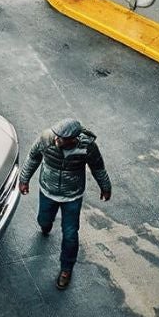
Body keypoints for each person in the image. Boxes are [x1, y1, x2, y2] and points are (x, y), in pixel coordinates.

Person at [18, 118, 112, 290]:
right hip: (48, 191)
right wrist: (24, 179)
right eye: (57, 136)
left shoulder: (87, 147)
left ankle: (66, 269)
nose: (57, 140)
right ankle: (45, 226)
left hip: (72, 197)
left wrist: (105, 187)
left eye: (61, 138)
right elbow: (33, 158)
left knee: (70, 234)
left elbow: (98, 168)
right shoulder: (46, 138)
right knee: (44, 220)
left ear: (73, 139)